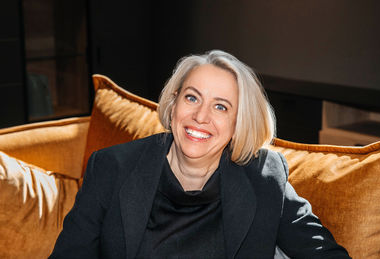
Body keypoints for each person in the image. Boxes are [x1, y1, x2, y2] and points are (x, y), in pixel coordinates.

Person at [50, 50, 351, 258]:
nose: (200, 116)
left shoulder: (264, 177)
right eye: (192, 97)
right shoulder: (111, 168)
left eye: (221, 106)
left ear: (238, 123)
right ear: (174, 103)